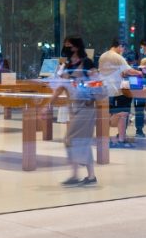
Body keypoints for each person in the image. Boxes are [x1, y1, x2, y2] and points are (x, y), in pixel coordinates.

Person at [53, 36, 98, 186]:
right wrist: (49, 103)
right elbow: (60, 86)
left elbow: (96, 82)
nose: (66, 48)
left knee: (72, 140)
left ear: (77, 47)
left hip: (86, 106)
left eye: (69, 45)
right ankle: (86, 175)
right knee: (79, 141)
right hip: (74, 107)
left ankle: (80, 174)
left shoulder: (87, 63)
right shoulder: (66, 65)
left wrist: (91, 94)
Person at [97, 38, 141, 148]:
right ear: (119, 46)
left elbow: (111, 71)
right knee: (123, 114)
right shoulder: (117, 57)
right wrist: (139, 72)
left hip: (105, 89)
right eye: (123, 48)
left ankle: (105, 138)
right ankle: (121, 139)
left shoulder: (103, 56)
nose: (123, 50)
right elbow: (128, 70)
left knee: (108, 114)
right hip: (117, 90)